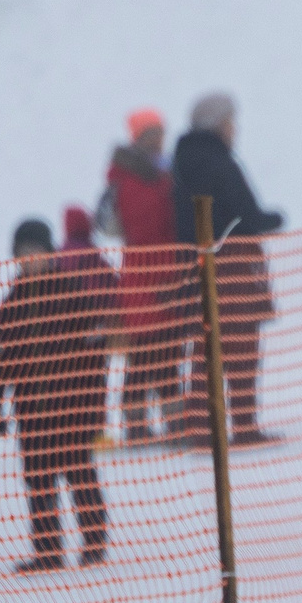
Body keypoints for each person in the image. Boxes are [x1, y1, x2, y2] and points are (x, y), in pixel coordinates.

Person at [0, 218, 111, 571]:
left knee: (79, 473)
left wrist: (96, 409)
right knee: (38, 481)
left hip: (72, 410)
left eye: (35, 253)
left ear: (49, 253)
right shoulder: (12, 305)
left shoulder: (71, 295)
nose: (29, 261)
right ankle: (47, 549)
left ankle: (95, 540)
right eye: (22, 256)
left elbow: (94, 358)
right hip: (31, 412)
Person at [170, 92, 285, 446]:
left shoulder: (185, 162)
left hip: (202, 265)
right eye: (231, 121)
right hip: (233, 265)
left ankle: (201, 427)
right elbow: (244, 213)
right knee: (241, 347)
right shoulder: (218, 163)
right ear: (219, 125)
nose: (235, 129)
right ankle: (244, 425)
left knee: (208, 348)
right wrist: (271, 218)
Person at [97, 108, 180, 441]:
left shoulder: (161, 172)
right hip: (147, 273)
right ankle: (147, 424)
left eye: (161, 132)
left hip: (162, 270)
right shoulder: (143, 177)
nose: (159, 140)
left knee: (165, 350)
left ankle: (154, 423)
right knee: (149, 352)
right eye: (153, 134)